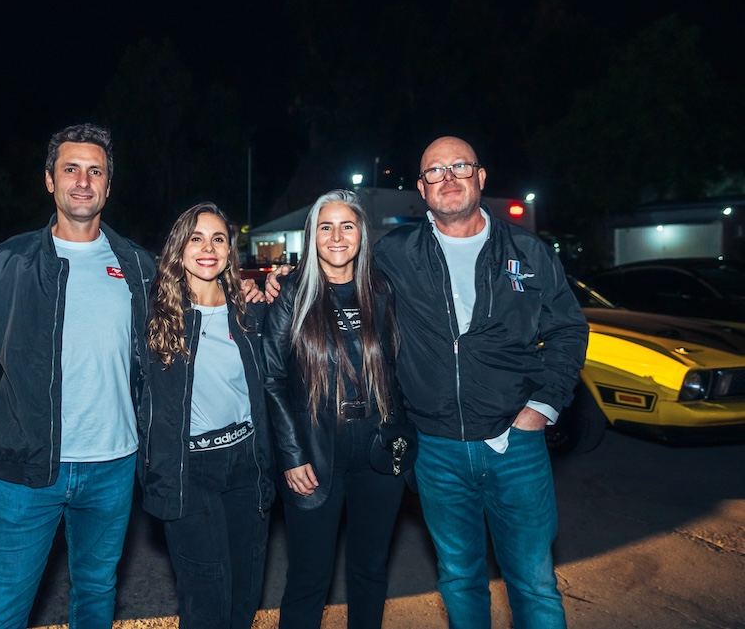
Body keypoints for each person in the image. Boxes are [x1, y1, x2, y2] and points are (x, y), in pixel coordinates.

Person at [266, 138, 588, 629]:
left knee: (534, 582)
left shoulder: (527, 250)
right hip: (436, 447)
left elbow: (568, 328)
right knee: (459, 576)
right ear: (421, 189)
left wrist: (543, 406)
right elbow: (326, 285)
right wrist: (275, 281)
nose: (449, 177)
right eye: (435, 171)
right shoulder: (397, 255)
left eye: (460, 166)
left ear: (481, 177)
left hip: (515, 444)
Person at [0, 122, 157, 629]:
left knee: (97, 594)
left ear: (108, 184)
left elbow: (184, 331)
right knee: (2, 611)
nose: (83, 180)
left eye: (95, 170)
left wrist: (257, 297)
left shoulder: (140, 267)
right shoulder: (5, 265)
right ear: (49, 181)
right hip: (25, 469)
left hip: (113, 465)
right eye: (71, 169)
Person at [263, 189, 406, 629]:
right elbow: (272, 379)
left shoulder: (384, 289)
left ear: (362, 233)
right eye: (326, 226)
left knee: (369, 571)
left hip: (379, 454)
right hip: (314, 456)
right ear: (312, 235)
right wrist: (291, 455)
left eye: (348, 225)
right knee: (309, 578)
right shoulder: (290, 291)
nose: (337, 236)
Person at [138, 202, 274, 629]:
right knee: (206, 598)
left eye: (218, 238)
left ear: (231, 250)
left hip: (247, 464)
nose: (208, 247)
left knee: (245, 593)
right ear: (179, 249)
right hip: (189, 469)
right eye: (196, 238)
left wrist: (275, 285)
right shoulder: (153, 315)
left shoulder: (251, 312)